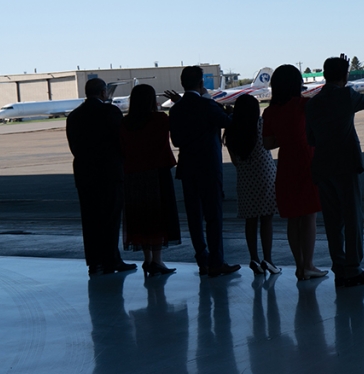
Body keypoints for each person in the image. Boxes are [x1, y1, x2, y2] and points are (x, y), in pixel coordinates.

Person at [305, 50, 364, 288]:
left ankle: (339, 268)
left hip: (322, 166)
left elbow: (310, 139)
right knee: (352, 218)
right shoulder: (347, 96)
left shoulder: (313, 103)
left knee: (332, 222)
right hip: (346, 165)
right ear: (346, 76)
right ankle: (353, 268)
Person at [166, 66, 239, 277]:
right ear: (201, 84)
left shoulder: (176, 109)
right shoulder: (206, 105)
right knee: (213, 216)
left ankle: (202, 260)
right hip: (209, 167)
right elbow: (227, 122)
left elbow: (176, 140)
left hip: (187, 168)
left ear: (182, 84)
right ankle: (217, 261)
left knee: (194, 217)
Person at [261, 64, 326, 280]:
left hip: (286, 164)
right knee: (309, 216)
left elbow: (268, 143)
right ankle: (308, 264)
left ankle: (299, 266)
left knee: (293, 218)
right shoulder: (304, 105)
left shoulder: (270, 112)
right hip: (307, 162)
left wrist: (286, 137)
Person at [66, 77, 135, 275]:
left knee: (90, 219)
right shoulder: (110, 112)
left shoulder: (74, 116)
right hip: (110, 172)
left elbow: (74, 147)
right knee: (111, 218)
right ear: (103, 92)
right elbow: (122, 141)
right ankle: (112, 259)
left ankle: (94, 263)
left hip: (85, 174)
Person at [119, 84, 182, 275]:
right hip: (157, 173)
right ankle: (157, 261)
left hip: (133, 175)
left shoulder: (124, 123)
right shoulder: (159, 119)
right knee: (159, 217)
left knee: (140, 218)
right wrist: (179, 104)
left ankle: (147, 260)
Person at [225, 94, 280, 276]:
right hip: (265, 175)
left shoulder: (232, 130)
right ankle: (268, 259)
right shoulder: (260, 124)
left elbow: (234, 161)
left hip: (245, 178)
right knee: (267, 219)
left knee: (251, 220)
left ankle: (254, 258)